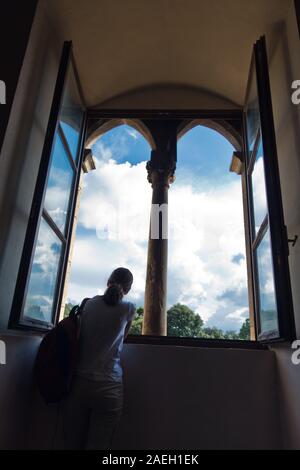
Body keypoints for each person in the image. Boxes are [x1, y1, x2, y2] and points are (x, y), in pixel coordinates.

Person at [62, 267, 136, 450]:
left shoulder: (90, 304)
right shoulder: (128, 308)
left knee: (71, 443)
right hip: (109, 387)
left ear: (108, 281)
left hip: (78, 384)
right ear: (128, 289)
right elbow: (122, 338)